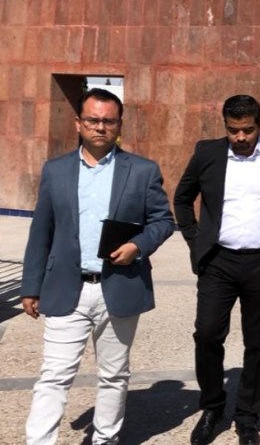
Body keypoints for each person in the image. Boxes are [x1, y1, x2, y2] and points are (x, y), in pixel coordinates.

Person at [21, 88, 175, 445]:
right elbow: (41, 230)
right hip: (66, 287)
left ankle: (106, 439)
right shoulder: (56, 170)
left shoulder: (142, 171)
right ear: (78, 123)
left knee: (114, 374)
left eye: (108, 121)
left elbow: (163, 221)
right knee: (54, 374)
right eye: (92, 120)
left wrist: (138, 246)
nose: (100, 127)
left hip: (118, 287)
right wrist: (31, 286)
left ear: (119, 125)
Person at [173, 95, 260, 445]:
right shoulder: (207, 153)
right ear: (225, 127)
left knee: (257, 341)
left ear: (259, 125)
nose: (240, 137)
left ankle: (247, 418)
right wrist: (195, 240)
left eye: (247, 130)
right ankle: (212, 406)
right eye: (233, 130)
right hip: (218, 261)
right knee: (207, 334)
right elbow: (182, 198)